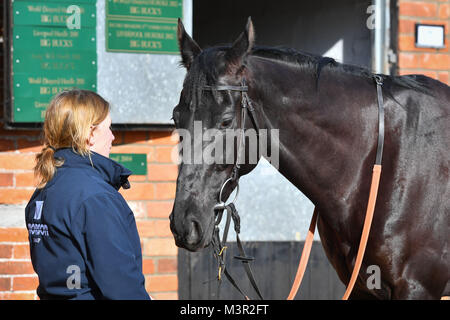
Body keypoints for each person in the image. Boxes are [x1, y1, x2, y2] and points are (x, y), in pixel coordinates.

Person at [25, 89, 150, 300]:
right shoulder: (96, 198)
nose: (113, 137)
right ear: (90, 134)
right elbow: (120, 286)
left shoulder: (44, 190)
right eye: (108, 128)